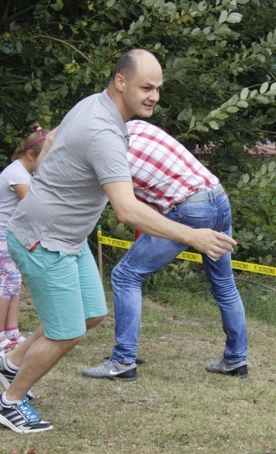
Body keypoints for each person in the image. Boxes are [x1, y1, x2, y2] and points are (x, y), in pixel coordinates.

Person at [0, 49, 236, 433]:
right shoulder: (104, 132)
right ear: (121, 82)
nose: (153, 96)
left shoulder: (95, 106)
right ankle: (10, 401)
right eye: (146, 87)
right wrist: (191, 235)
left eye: (158, 89)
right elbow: (127, 211)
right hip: (42, 239)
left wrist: (50, 182)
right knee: (66, 331)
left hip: (68, 237)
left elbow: (50, 139)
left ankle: (10, 361)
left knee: (91, 313)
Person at [81, 120, 249, 382]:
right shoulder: (136, 125)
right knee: (224, 284)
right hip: (218, 197)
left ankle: (122, 361)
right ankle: (236, 359)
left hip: (189, 209)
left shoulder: (112, 159)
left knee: (126, 276)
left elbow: (128, 208)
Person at [0, 124, 46, 351]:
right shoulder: (17, 174)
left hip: (7, 233)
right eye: (43, 160)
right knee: (8, 280)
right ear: (30, 154)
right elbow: (31, 206)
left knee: (14, 281)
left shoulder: (28, 172)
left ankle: (12, 333)